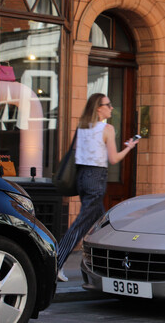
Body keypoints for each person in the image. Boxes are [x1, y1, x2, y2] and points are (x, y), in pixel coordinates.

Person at [56, 93, 139, 281]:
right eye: (108, 105)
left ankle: (112, 265)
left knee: (104, 223)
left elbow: (77, 153)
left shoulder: (82, 127)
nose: (111, 108)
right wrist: (129, 147)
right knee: (80, 225)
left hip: (83, 178)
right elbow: (114, 158)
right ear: (98, 108)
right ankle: (56, 262)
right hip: (96, 179)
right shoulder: (107, 129)